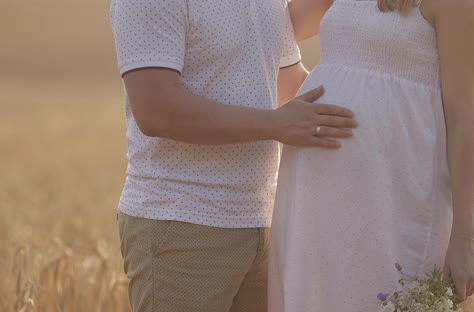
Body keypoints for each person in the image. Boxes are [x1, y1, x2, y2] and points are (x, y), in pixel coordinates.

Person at [109, 0, 357, 311]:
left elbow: (292, 89)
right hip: (182, 223)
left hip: (266, 224)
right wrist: (275, 123)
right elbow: (156, 111)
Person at [268, 0, 474, 311]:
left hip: (393, 198)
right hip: (315, 197)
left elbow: (463, 119)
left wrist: (465, 237)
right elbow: (273, 26)